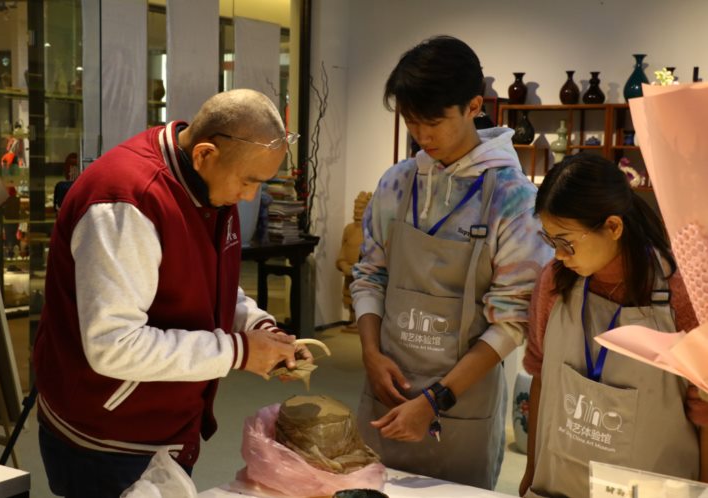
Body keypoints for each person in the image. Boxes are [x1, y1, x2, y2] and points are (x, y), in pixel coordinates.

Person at [33, 88, 310, 498]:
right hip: (106, 433)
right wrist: (239, 351)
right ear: (204, 154)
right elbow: (113, 345)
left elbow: (208, 280)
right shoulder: (127, 202)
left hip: (169, 421)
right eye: (249, 181)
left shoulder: (210, 182)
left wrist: (258, 326)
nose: (251, 195)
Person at [350, 35, 553, 489]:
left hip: (462, 400)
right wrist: (369, 352)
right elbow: (369, 274)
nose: (422, 136)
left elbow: (514, 318)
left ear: (473, 105)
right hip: (388, 385)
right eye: (411, 122)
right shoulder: (398, 183)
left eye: (434, 122)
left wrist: (437, 399)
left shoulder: (513, 198)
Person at [520, 153, 708, 498]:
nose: (559, 255)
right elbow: (540, 376)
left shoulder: (682, 296)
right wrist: (530, 470)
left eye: (567, 241)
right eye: (551, 241)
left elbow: (705, 415)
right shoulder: (554, 284)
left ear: (613, 227)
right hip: (556, 487)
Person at [336, 191, 372, 331]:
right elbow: (342, 251)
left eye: (361, 208)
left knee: (364, 296)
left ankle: (363, 322)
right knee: (350, 295)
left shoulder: (371, 229)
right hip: (350, 272)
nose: (357, 211)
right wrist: (343, 264)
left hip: (365, 273)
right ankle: (353, 319)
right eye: (356, 207)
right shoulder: (349, 229)